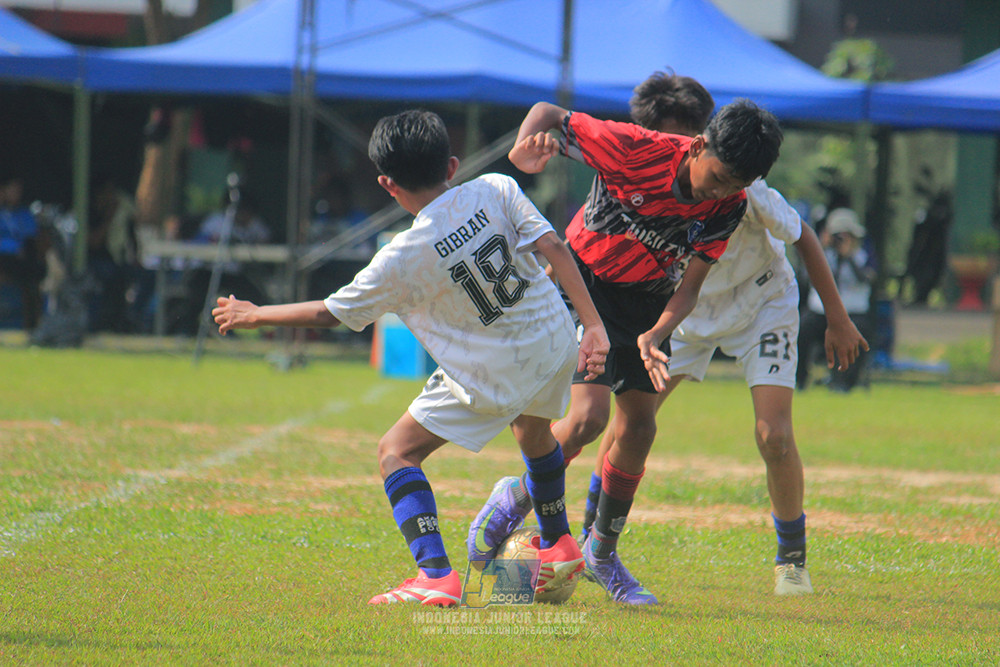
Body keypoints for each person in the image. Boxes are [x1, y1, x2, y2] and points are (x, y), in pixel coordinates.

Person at [212, 109, 610, 607]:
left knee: (395, 451)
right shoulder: (495, 188)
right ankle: (557, 542)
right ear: (451, 164)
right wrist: (592, 325)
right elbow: (553, 244)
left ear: (386, 183)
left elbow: (328, 312)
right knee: (533, 431)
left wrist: (256, 314)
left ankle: (435, 576)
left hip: (493, 372)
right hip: (553, 342)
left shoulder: (399, 257)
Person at [467, 91, 784, 605]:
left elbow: (690, 288)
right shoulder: (635, 148)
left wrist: (657, 332)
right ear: (698, 145)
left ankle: (601, 551)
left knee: (639, 427)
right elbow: (551, 113)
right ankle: (516, 495)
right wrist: (523, 151)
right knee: (589, 418)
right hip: (583, 284)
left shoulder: (732, 205)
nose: (721, 191)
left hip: (648, 302)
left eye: (737, 184)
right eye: (720, 176)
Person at [797, 207, 874, 392]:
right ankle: (798, 379)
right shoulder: (821, 252)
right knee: (802, 328)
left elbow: (868, 278)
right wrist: (819, 249)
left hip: (853, 312)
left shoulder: (863, 252)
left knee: (858, 333)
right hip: (820, 312)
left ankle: (843, 383)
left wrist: (848, 257)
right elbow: (805, 278)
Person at [87, 175, 137, 332]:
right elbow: (93, 242)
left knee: (144, 276)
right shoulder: (90, 213)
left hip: (117, 261)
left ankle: (131, 318)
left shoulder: (121, 213)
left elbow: (132, 238)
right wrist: (109, 218)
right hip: (93, 262)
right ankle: (99, 323)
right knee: (111, 276)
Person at [0, 174, 46, 332]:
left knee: (32, 275)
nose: (16, 193)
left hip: (20, 262)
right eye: (12, 189)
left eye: (18, 190)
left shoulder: (24, 214)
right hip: (4, 257)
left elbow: (31, 238)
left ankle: (34, 325)